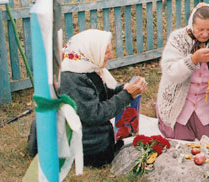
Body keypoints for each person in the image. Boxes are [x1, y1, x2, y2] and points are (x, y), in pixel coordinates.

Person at [59, 29, 147, 167]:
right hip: (66, 134)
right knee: (104, 134)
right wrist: (127, 95)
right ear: (90, 51)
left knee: (106, 131)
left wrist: (124, 89)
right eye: (106, 52)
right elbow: (95, 114)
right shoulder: (71, 78)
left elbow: (100, 94)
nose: (111, 55)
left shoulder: (85, 67)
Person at [156, 3, 209, 143]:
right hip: (178, 102)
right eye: (200, 29)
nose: (205, 34)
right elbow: (171, 74)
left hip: (207, 103)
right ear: (191, 25)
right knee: (181, 143)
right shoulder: (178, 39)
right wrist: (193, 60)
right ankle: (161, 111)